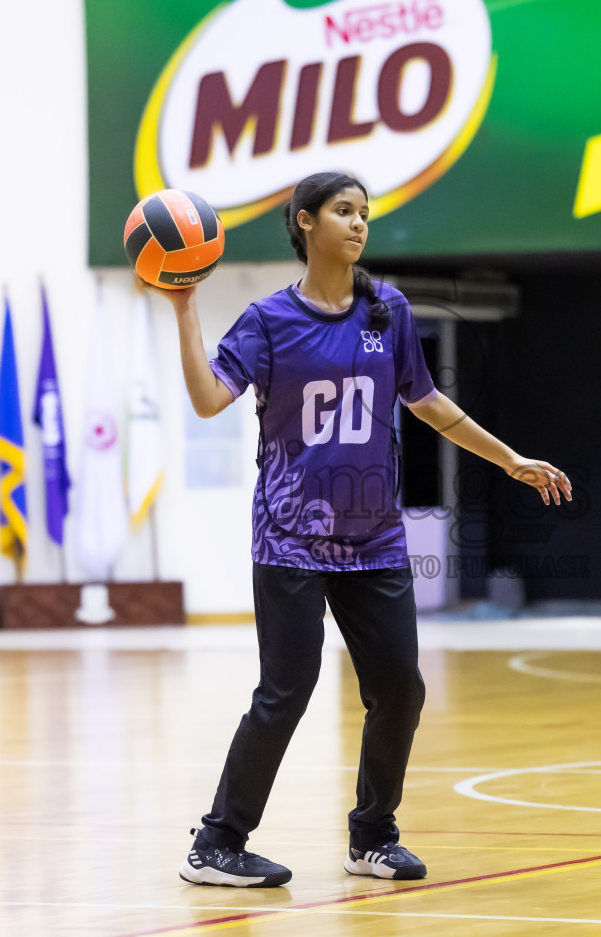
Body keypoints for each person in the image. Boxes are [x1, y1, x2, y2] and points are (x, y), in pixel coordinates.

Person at [153, 171, 571, 888]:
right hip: (290, 535)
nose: (358, 225)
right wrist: (185, 307)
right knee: (287, 688)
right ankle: (217, 841)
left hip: (374, 537)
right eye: (343, 212)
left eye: (365, 215)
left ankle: (372, 836)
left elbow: (428, 400)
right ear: (304, 222)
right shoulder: (265, 320)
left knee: (401, 688)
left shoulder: (388, 311)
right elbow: (206, 398)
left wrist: (508, 459)